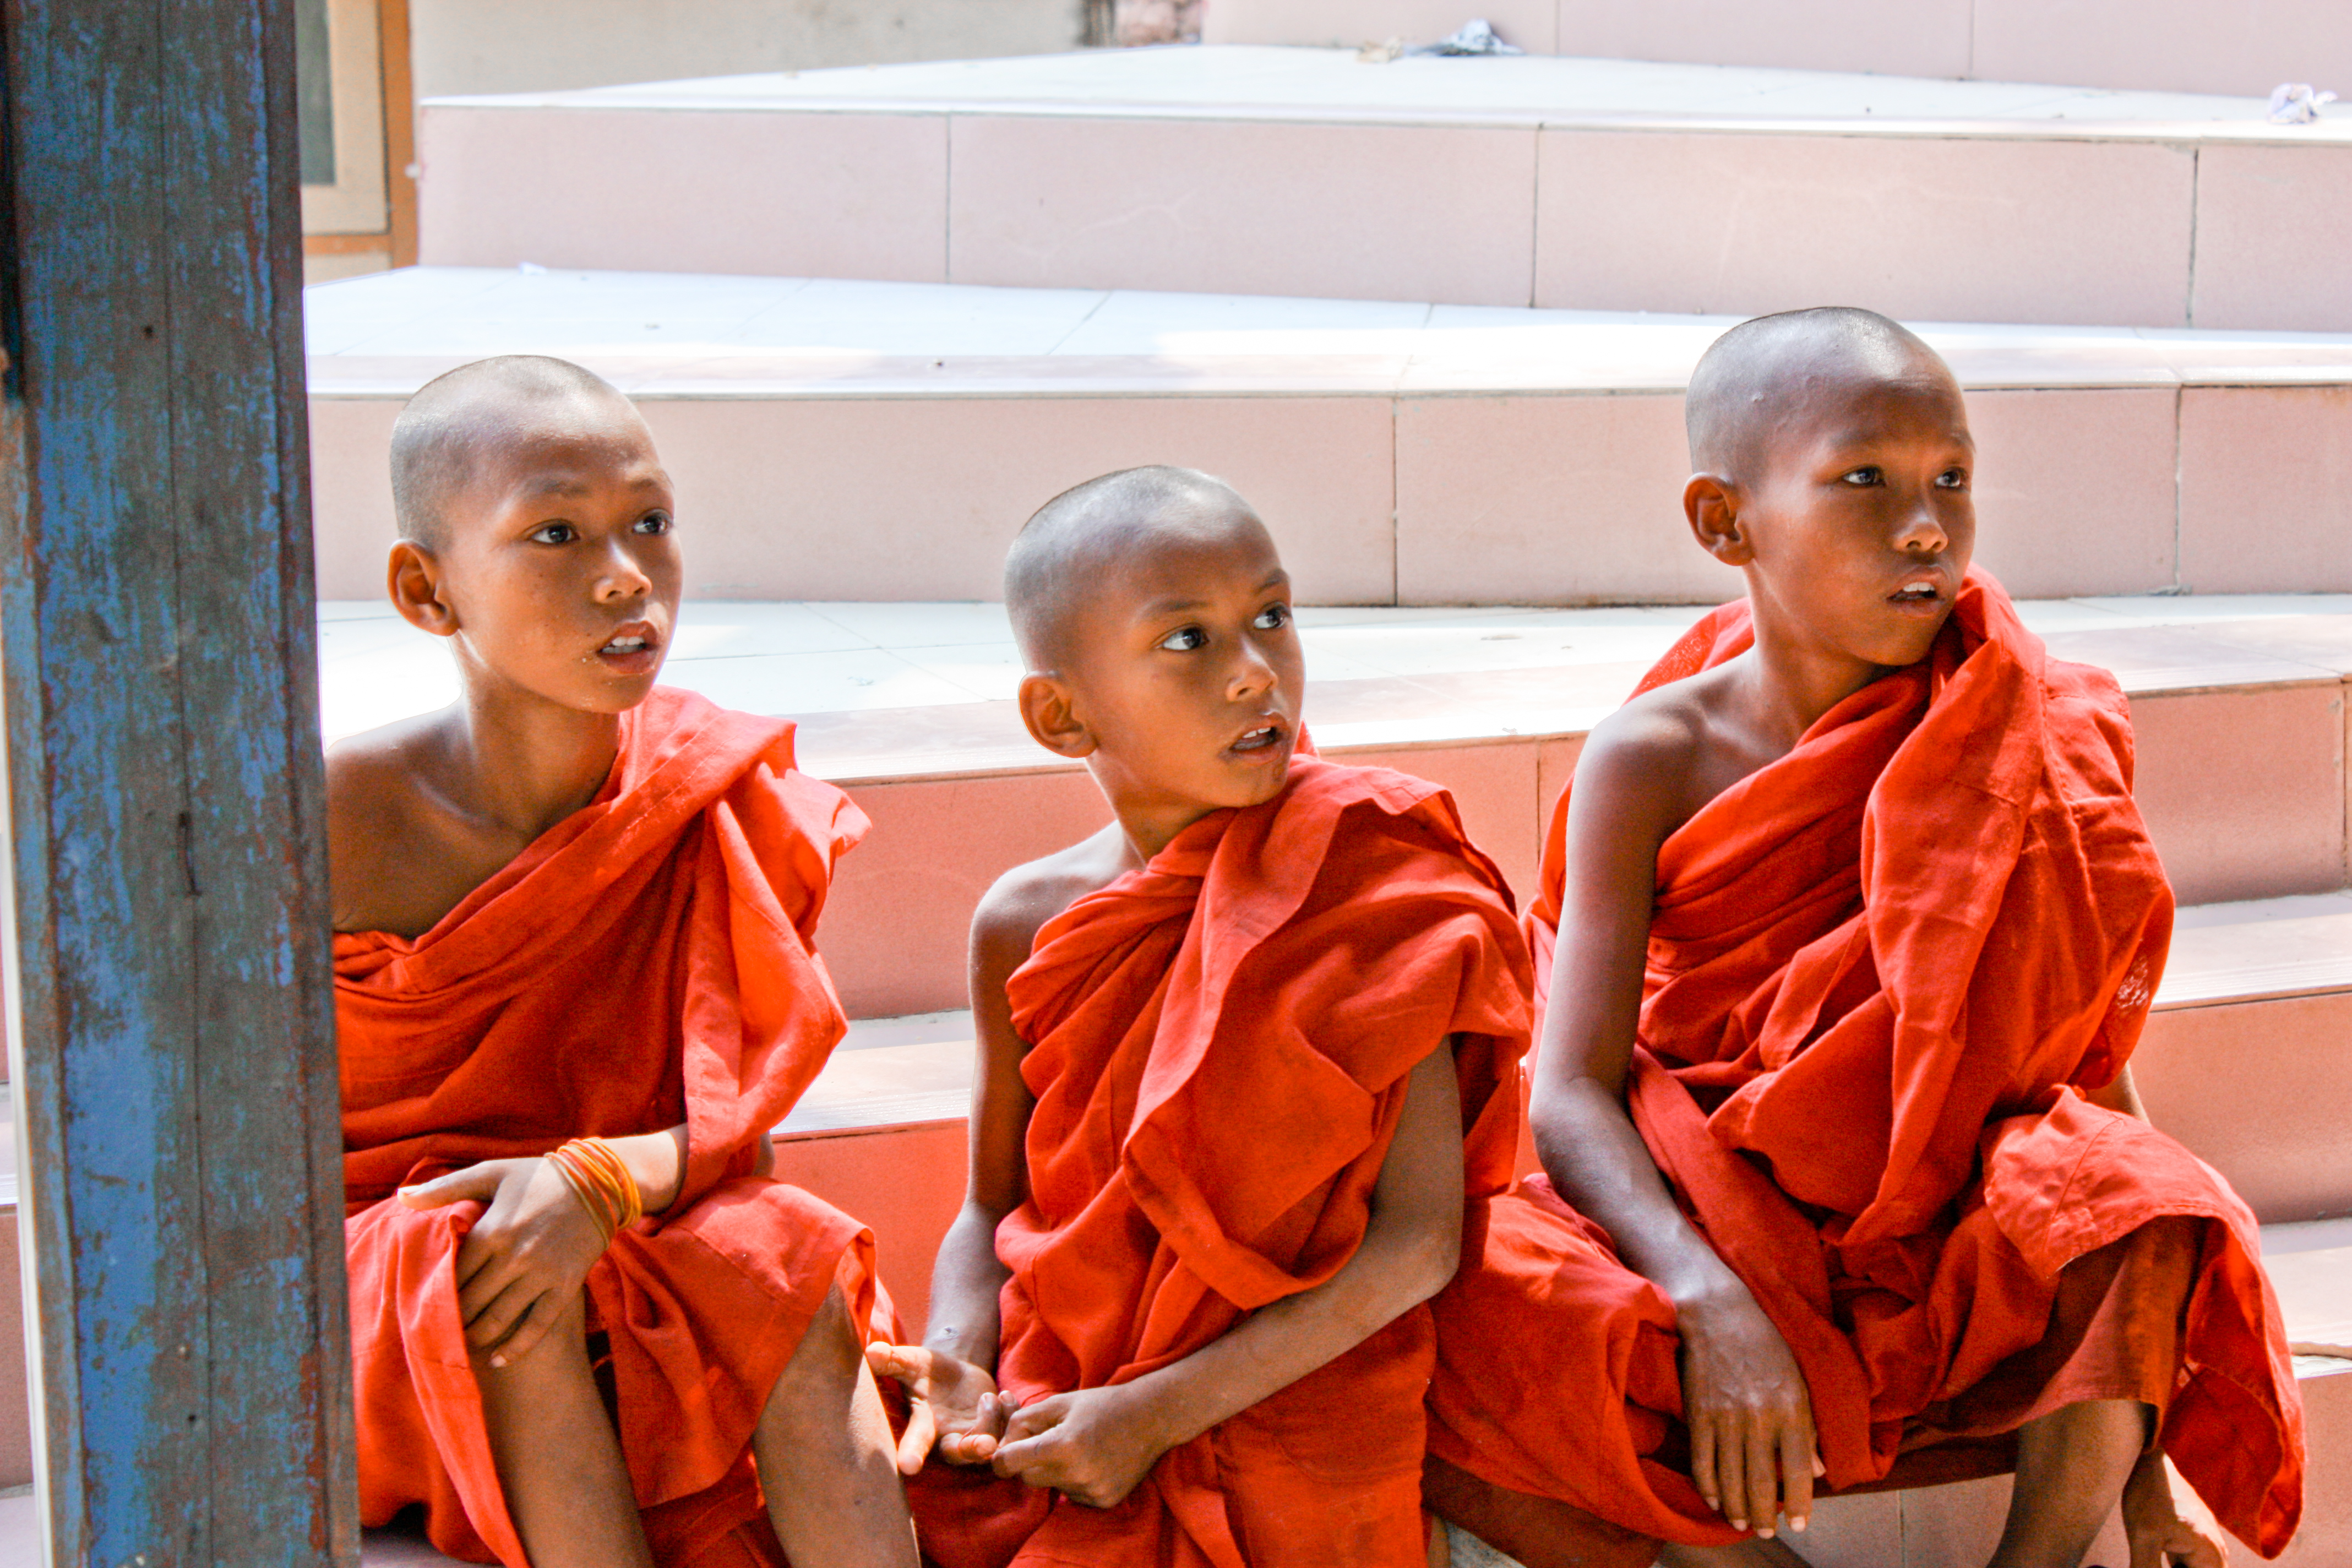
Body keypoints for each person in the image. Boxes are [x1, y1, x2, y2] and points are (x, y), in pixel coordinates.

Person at [1424, 309, 2305, 1568]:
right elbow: (1566, 1090)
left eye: (1952, 478)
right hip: (1716, 1189)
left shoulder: (2015, 724)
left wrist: (2148, 1475)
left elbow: (2068, 1051)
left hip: (1937, 1211)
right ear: (1726, 524)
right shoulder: (1655, 756)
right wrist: (1706, 1294)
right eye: (1865, 483)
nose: (1927, 528)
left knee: (2142, 1196)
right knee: (1470, 1302)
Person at [866, 466, 1533, 1567]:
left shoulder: (1366, 880)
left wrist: (1156, 1413)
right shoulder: (1025, 922)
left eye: (1271, 616)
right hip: (1074, 1387)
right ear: (1060, 711)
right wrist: (958, 1358)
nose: (1255, 672)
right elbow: (992, 1205)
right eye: (1189, 641)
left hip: (1302, 1388)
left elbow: (1418, 1241)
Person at [332, 356, 919, 1568]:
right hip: (389, 1274)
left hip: (621, 1219)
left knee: (784, 1243)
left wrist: (593, 1181)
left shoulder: (704, 788)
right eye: (556, 532)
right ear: (425, 589)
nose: (625, 575)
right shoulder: (328, 822)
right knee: (485, 1258)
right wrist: (535, 1205)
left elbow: (728, 1126)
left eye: (649, 521)